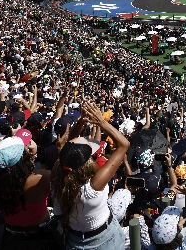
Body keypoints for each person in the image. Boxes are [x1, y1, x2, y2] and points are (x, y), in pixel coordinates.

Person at [51, 100, 130, 250]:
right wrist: (101, 122)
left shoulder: (57, 175)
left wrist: (82, 120)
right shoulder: (92, 188)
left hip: (74, 240)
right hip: (104, 240)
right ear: (87, 163)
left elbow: (69, 148)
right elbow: (124, 144)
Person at [0, 132, 56, 249]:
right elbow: (59, 173)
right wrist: (35, 154)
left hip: (11, 236)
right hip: (40, 236)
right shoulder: (40, 178)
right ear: (21, 157)